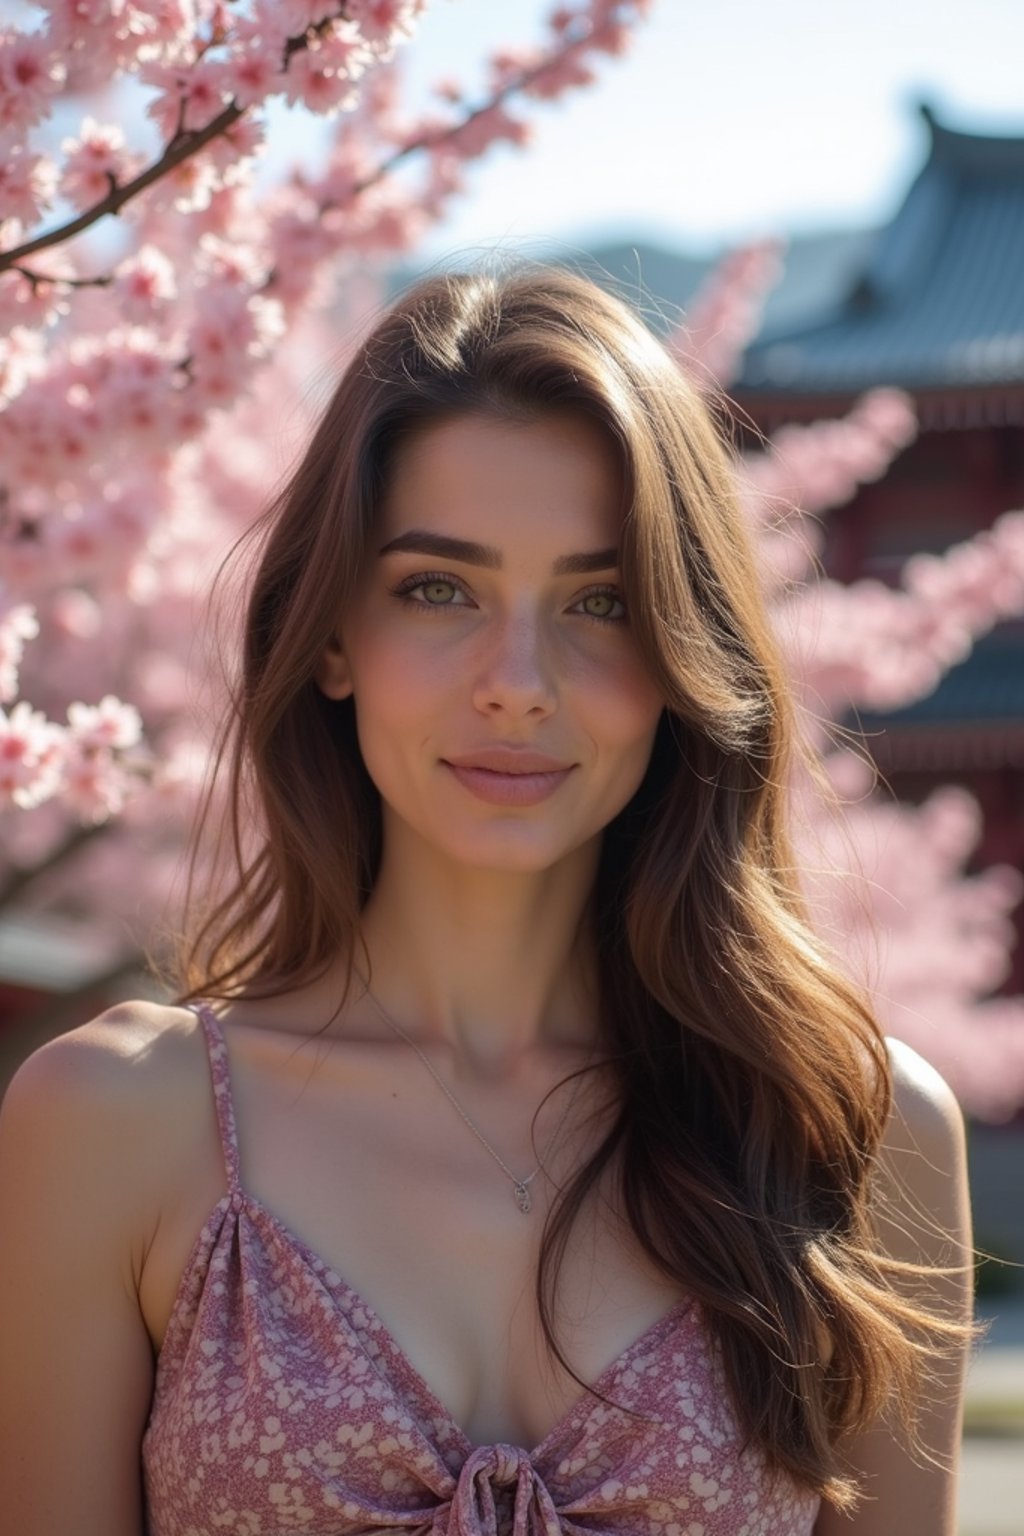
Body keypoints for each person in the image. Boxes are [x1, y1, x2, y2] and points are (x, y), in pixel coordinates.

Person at [0, 266, 973, 1536]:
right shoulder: (116, 1123)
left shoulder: (855, 1132)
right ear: (334, 633)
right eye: (438, 589)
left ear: (686, 652)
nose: (518, 682)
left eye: (601, 602)